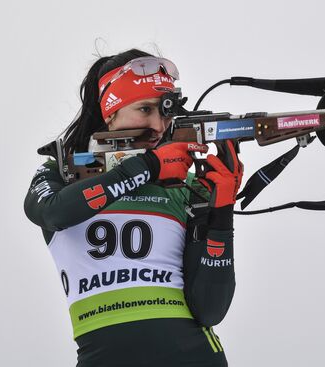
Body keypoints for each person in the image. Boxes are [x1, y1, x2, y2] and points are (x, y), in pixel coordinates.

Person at [24, 49, 243, 367]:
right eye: (145, 109)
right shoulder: (59, 172)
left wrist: (222, 211)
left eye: (165, 113)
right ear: (110, 113)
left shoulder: (188, 185)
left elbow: (211, 309)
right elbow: (53, 213)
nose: (157, 125)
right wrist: (148, 167)